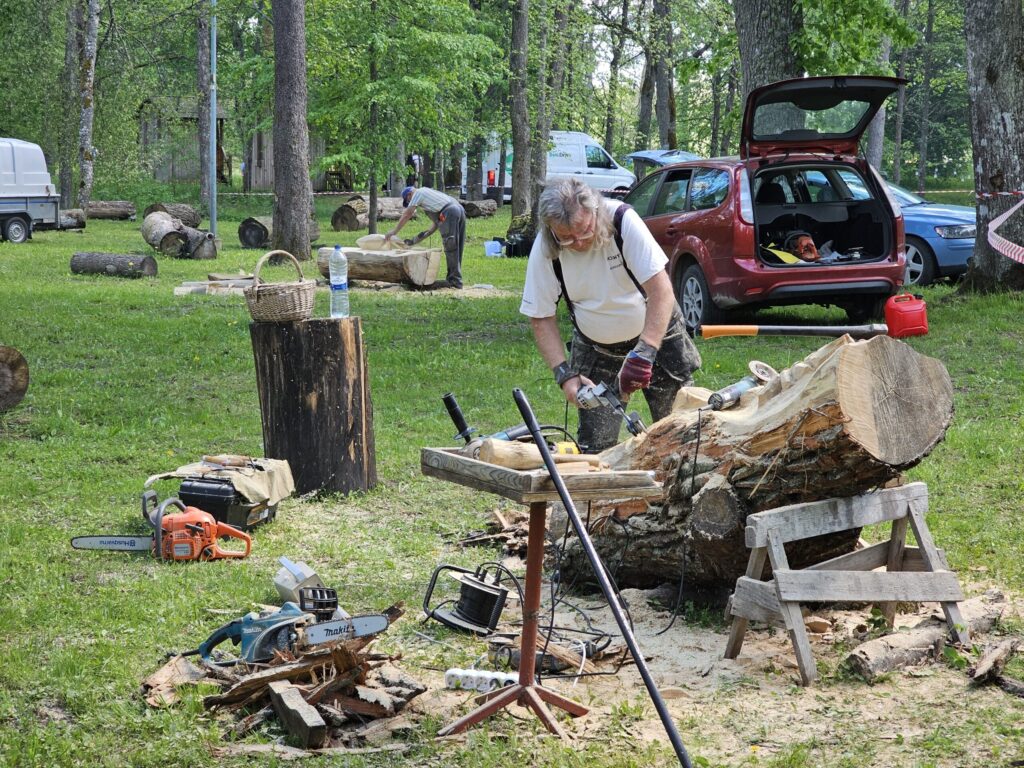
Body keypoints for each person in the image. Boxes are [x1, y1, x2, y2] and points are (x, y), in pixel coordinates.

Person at [520, 178, 702, 453]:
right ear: (551, 229)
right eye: (566, 237)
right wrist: (564, 374)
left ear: (595, 212)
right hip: (596, 347)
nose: (578, 243)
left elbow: (662, 292)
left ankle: (680, 493)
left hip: (657, 334)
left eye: (584, 231)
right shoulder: (546, 247)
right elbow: (541, 317)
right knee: (596, 448)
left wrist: (645, 352)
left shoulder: (622, 220)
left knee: (680, 433)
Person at [385, 185, 466, 289]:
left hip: (450, 211)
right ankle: (454, 278)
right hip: (459, 209)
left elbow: (407, 214)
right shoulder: (431, 196)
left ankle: (454, 281)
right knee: (457, 246)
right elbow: (433, 227)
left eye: (409, 201)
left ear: (409, 195)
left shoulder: (418, 193)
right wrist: (414, 240)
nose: (411, 203)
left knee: (450, 247)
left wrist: (394, 231)